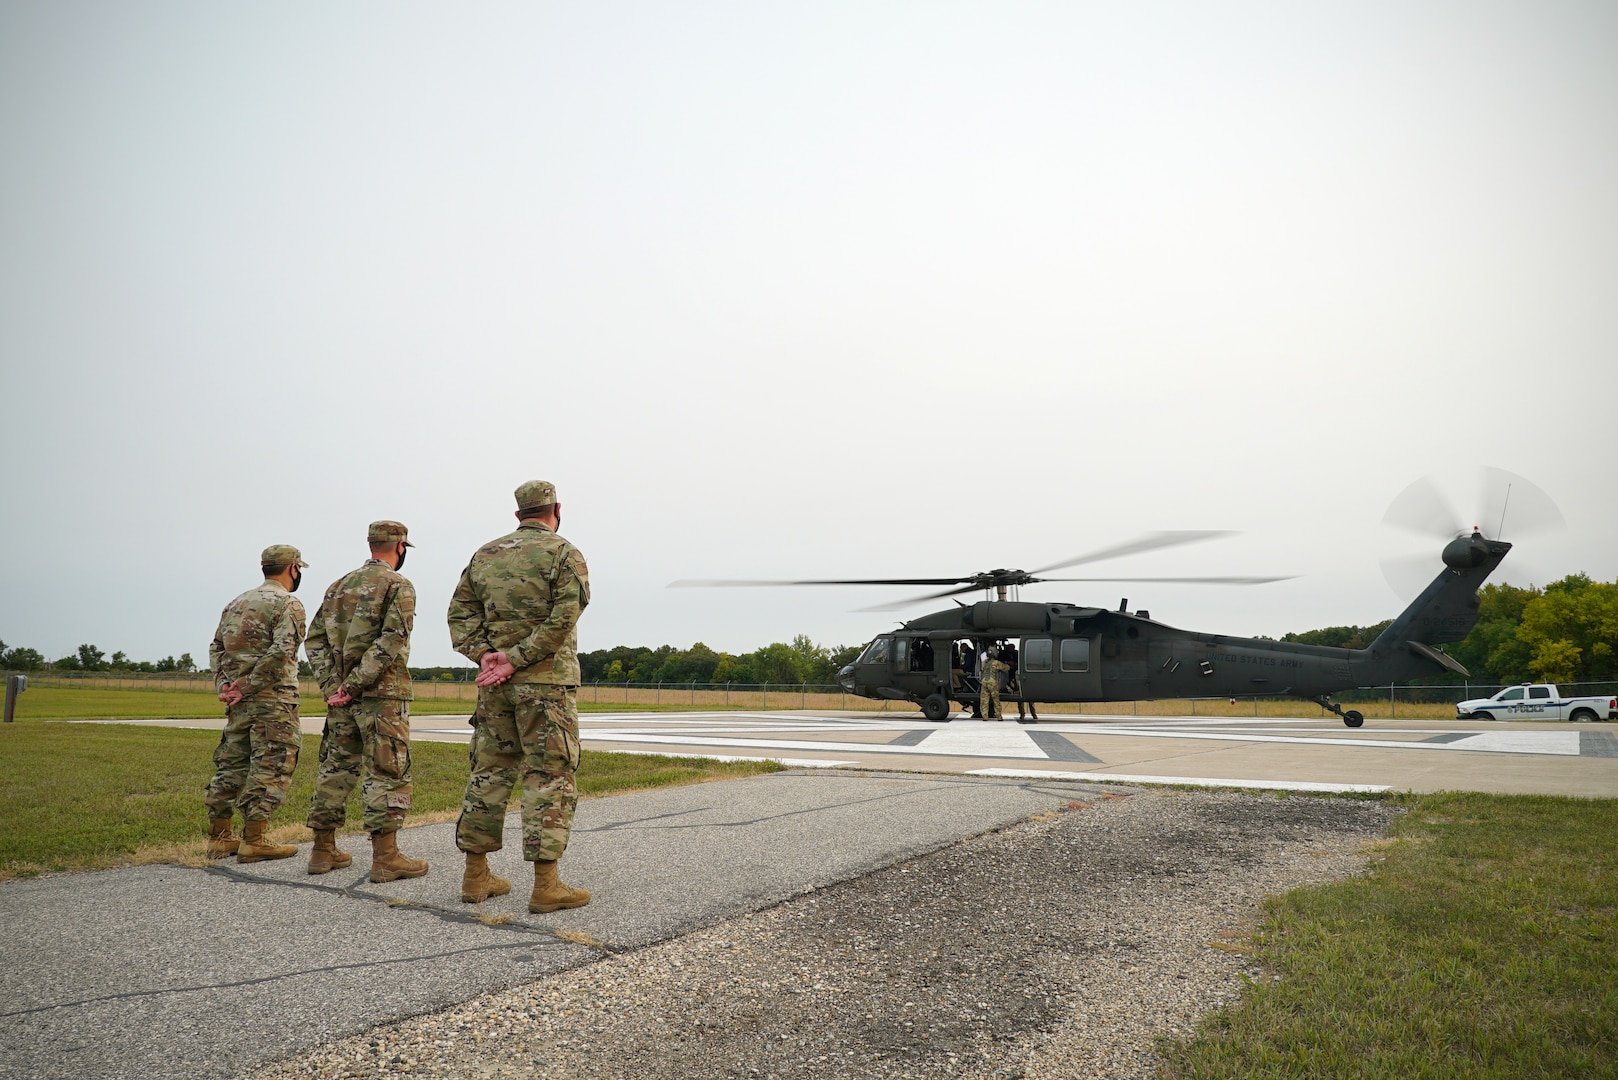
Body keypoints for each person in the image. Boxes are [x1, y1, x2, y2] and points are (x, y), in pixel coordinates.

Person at [448, 480, 591, 912]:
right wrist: (519, 657)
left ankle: (476, 876)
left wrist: (486, 656)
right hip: (545, 684)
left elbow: (459, 613)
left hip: (495, 687)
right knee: (548, 776)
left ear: (518, 514)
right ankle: (546, 886)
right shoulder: (565, 553)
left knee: (489, 772)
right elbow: (565, 614)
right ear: (556, 509)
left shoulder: (485, 555)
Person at [303, 521, 428, 882]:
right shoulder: (398, 585)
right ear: (400, 546)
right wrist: (355, 685)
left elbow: (315, 641)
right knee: (387, 771)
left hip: (341, 698)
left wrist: (334, 687)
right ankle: (386, 857)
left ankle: (322, 850)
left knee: (335, 769)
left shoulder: (338, 586)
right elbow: (392, 639)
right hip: (381, 696)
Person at [204, 544, 309, 862]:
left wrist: (226, 685)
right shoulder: (288, 603)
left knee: (232, 764)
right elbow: (281, 652)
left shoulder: (236, 603)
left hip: (239, 703)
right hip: (273, 701)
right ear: (292, 568)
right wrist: (248, 685)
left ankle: (220, 838)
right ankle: (255, 840)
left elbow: (216, 647)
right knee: (271, 765)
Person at [979, 642, 1009, 721]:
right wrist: (1008, 664)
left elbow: (981, 669)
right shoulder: (996, 663)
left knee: (984, 701)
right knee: (996, 700)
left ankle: (985, 716)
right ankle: (999, 716)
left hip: (984, 681)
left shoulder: (984, 662)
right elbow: (1006, 668)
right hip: (993, 682)